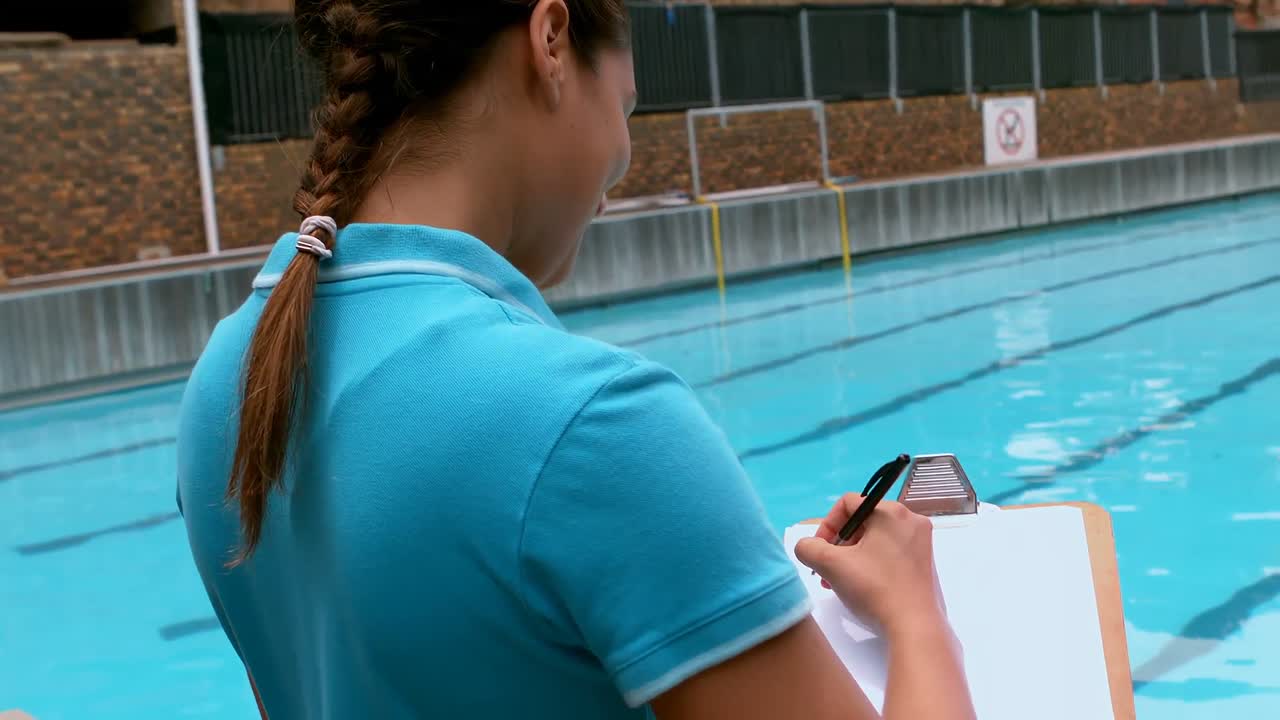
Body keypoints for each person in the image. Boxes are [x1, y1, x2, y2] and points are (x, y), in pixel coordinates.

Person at [175, 2, 977, 719]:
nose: (618, 167)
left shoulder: (225, 385)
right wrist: (917, 617)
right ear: (551, 39)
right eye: (625, 107)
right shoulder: (593, 424)